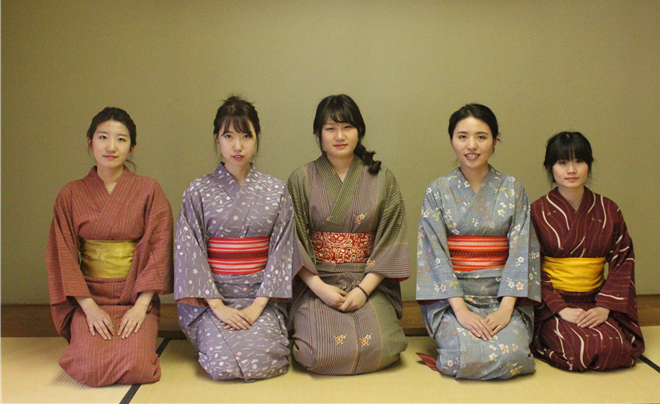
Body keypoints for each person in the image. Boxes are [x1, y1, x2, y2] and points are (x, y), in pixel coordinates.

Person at [45, 107, 173, 387]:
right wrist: (88, 307)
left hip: (134, 296)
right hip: (89, 297)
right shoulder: (70, 194)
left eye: (121, 139)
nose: (111, 147)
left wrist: (141, 306)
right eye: (103, 137)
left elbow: (159, 249)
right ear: (89, 142)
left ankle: (139, 331)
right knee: (89, 368)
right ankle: (85, 332)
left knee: (139, 367)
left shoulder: (149, 190)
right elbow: (62, 255)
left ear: (132, 147)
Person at [287, 94, 410, 375]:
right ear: (318, 134)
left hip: (368, 281)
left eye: (347, 127)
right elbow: (293, 242)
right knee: (318, 352)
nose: (339, 136)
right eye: (330, 128)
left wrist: (363, 290)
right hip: (317, 282)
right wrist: (320, 288)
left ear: (359, 131)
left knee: (382, 346)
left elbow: (391, 239)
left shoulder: (383, 179)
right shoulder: (301, 179)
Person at [174, 95, 295, 382]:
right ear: (217, 139)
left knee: (268, 357)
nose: (237, 146)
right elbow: (189, 253)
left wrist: (257, 306)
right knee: (220, 364)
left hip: (262, 300)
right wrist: (218, 307)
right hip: (212, 302)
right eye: (228, 136)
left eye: (245, 136)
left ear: (256, 139)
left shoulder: (276, 191)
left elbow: (283, 251)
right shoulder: (198, 190)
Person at [416, 103, 540, 380]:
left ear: (495, 141)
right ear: (452, 141)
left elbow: (522, 251)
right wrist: (461, 310)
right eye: (462, 137)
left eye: (481, 137)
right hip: (453, 299)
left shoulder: (514, 189)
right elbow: (434, 255)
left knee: (515, 356)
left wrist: (506, 309)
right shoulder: (437, 191)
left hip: (502, 297)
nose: (471, 145)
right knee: (460, 358)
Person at [530, 131, 644, 371]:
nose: (571, 170)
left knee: (617, 348)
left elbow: (623, 260)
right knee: (580, 350)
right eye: (562, 162)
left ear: (589, 165)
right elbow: (530, 266)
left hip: (596, 301)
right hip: (553, 305)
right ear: (550, 167)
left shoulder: (608, 209)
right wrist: (560, 308)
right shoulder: (537, 212)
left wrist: (604, 307)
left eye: (579, 161)